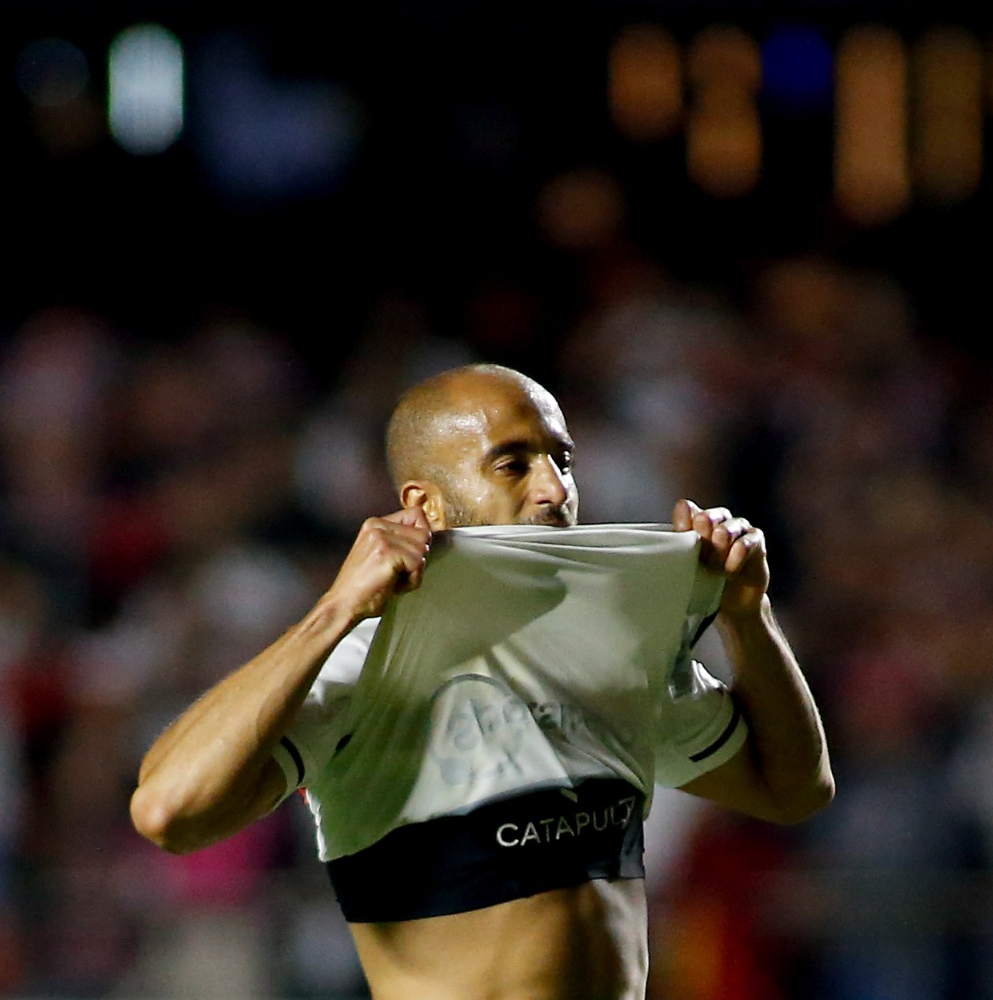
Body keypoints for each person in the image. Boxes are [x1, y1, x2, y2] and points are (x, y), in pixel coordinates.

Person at [128, 362, 834, 1000]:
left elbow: (794, 790)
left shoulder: (619, 648)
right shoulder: (364, 663)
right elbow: (168, 812)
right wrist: (333, 611)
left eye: (563, 460)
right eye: (512, 464)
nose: (555, 490)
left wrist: (748, 616)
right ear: (425, 506)